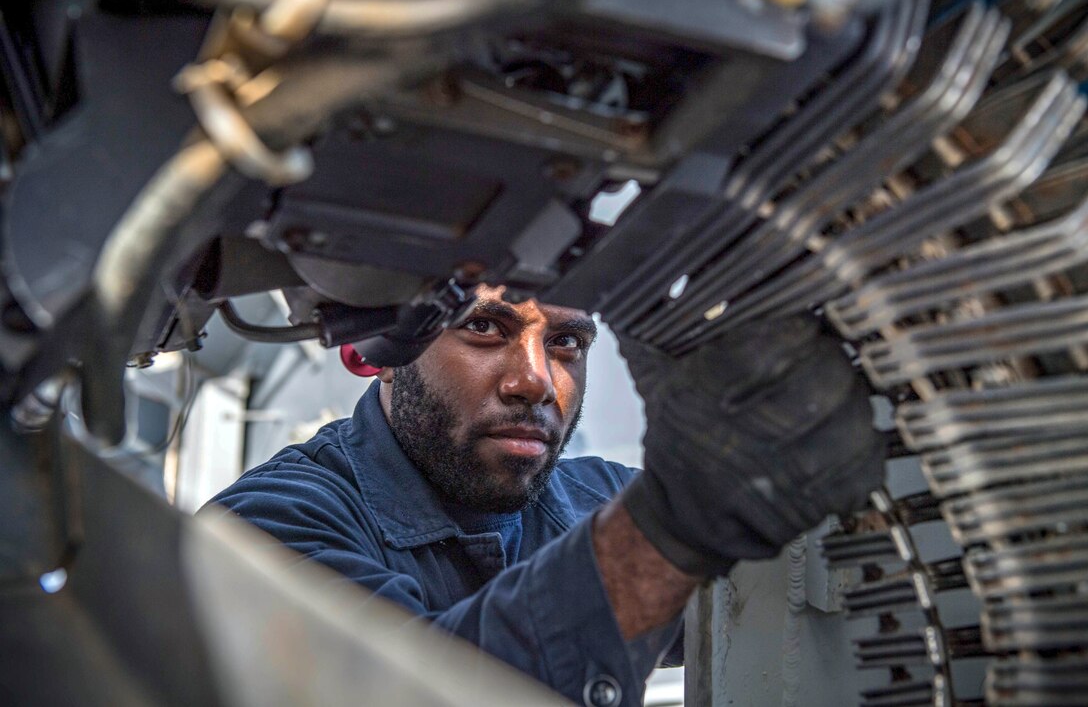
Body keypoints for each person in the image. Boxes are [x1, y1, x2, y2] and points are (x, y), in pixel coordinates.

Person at [207, 284, 883, 706]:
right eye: (484, 328)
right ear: (376, 350)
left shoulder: (601, 500)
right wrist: (676, 524)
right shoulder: (263, 529)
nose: (535, 380)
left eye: (564, 342)